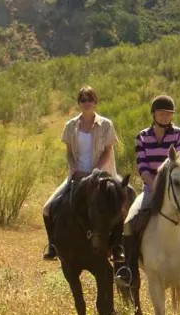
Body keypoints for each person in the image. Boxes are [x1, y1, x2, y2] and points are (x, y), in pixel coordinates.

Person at [115, 94, 180, 289]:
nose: (165, 117)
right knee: (128, 223)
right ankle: (129, 269)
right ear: (153, 114)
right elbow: (142, 167)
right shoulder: (142, 137)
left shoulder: (179, 135)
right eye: (161, 113)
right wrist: (156, 186)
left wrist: (171, 186)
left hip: (179, 189)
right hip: (151, 187)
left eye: (169, 114)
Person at [42, 86, 120, 262]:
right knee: (48, 208)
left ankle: (118, 248)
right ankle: (53, 245)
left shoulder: (106, 124)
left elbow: (108, 151)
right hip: (77, 176)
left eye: (90, 99)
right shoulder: (70, 125)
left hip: (102, 176)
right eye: (83, 100)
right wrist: (73, 167)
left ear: (95, 102)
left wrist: (96, 170)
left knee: (122, 205)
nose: (86, 103)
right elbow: (69, 152)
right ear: (79, 103)